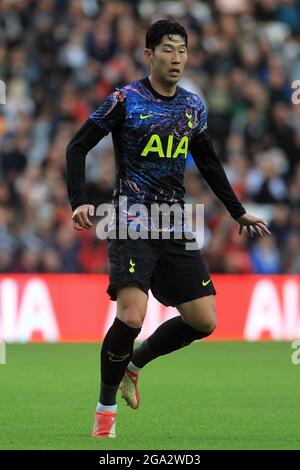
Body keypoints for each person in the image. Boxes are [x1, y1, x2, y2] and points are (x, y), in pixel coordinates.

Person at [66, 19, 271, 438]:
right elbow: (77, 146)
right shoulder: (126, 99)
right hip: (130, 220)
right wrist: (79, 201)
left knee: (203, 319)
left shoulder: (192, 106)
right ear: (148, 55)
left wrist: (237, 212)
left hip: (173, 224)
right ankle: (105, 412)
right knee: (131, 315)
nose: (176, 58)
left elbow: (209, 163)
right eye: (167, 49)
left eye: (182, 50)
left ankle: (134, 366)